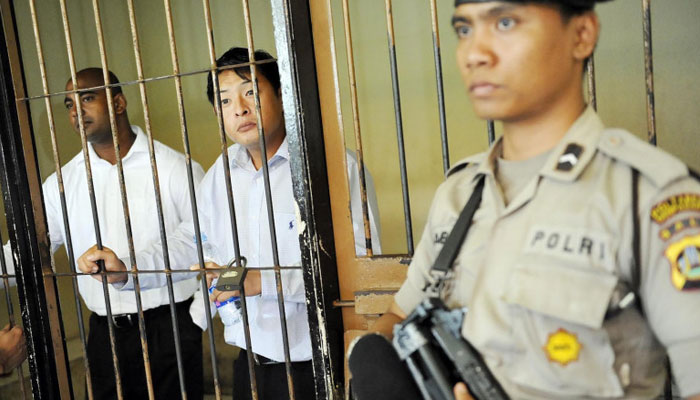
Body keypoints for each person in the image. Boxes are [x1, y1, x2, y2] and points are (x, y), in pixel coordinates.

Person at [369, 1, 700, 399]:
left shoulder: (649, 197)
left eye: (505, 22)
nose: (475, 53)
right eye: (464, 29)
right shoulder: (459, 196)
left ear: (581, 35)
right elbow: (399, 316)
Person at [82, 47, 382, 400]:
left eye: (252, 92)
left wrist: (263, 281)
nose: (239, 108)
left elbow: (363, 275)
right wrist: (127, 272)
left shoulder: (333, 168)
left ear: (283, 94)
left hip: (320, 364)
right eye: (224, 101)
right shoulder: (220, 175)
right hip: (251, 368)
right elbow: (190, 243)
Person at [0, 67, 206, 399]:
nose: (76, 111)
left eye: (87, 98)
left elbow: (204, 240)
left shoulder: (174, 169)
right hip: (103, 333)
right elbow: (30, 251)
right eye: (68, 104)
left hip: (170, 329)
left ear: (119, 103)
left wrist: (195, 321)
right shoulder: (62, 185)